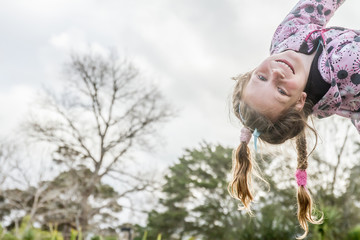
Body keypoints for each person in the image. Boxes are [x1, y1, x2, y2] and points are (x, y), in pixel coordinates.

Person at [228, 0, 360, 238]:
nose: (276, 73)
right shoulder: (346, 68)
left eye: (260, 77)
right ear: (300, 101)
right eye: (281, 91)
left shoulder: (286, 38)